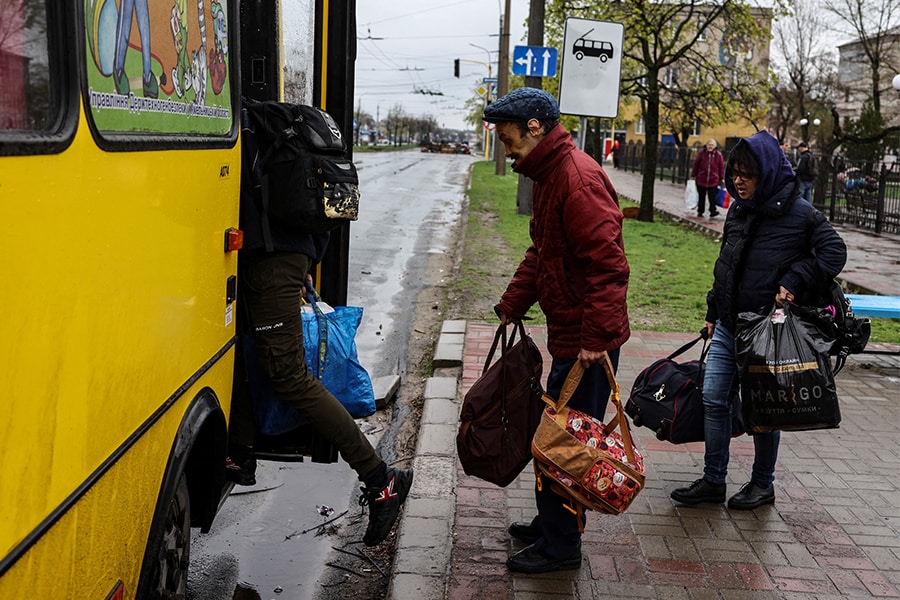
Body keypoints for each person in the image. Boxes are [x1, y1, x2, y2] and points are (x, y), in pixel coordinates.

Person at [227, 109, 413, 548]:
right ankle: (240, 452)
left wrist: (290, 261)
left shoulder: (246, 122)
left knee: (289, 375)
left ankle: (380, 480)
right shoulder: (273, 129)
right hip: (281, 258)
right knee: (244, 348)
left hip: (272, 263)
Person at [483, 87, 631, 574]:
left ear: (534, 127)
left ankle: (561, 546)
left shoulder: (577, 180)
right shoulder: (551, 177)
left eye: (509, 140)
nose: (507, 151)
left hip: (586, 344)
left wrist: (595, 340)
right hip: (571, 333)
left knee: (567, 446)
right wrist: (513, 302)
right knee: (562, 437)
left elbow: (607, 267)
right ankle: (553, 526)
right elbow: (542, 253)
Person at [670, 131, 846, 510]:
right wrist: (712, 313)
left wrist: (793, 279)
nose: (737, 180)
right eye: (734, 173)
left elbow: (834, 253)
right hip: (731, 323)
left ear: (765, 173)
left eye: (746, 174)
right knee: (715, 398)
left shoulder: (801, 213)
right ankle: (714, 479)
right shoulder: (738, 209)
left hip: (768, 331)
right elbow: (727, 266)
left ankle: (762, 484)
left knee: (764, 411)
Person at [691, 138, 725, 218]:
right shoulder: (701, 154)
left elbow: (721, 167)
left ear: (715, 146)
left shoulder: (718, 155)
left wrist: (722, 177)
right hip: (701, 178)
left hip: (713, 179)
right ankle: (700, 211)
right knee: (701, 197)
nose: (710, 146)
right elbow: (696, 164)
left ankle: (713, 211)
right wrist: (693, 175)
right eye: (709, 145)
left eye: (712, 145)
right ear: (706, 146)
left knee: (712, 197)